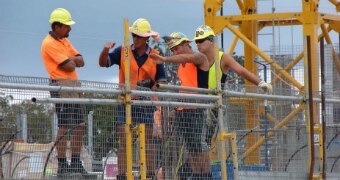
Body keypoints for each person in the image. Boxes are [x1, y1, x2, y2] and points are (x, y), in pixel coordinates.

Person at [98, 18, 166, 180]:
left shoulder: (156, 56)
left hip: (145, 103)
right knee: (124, 141)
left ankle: (149, 175)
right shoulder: (123, 51)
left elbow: (162, 82)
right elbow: (103, 63)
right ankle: (122, 175)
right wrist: (105, 51)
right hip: (125, 102)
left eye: (138, 36)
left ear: (146, 38)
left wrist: (151, 84)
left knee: (147, 141)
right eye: (134, 35)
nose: (135, 38)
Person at [150, 32, 212, 179]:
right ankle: (198, 175)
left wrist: (164, 58)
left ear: (185, 44)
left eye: (176, 49)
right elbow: (184, 88)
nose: (175, 52)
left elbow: (188, 57)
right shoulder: (181, 67)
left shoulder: (199, 57)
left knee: (199, 145)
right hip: (184, 110)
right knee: (191, 147)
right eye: (172, 50)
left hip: (198, 109)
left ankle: (206, 175)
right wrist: (176, 109)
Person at [40, 8, 88, 177]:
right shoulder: (49, 43)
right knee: (65, 125)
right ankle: (62, 164)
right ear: (57, 26)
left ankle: (75, 161)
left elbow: (80, 61)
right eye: (67, 26)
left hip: (73, 85)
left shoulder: (64, 41)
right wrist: (72, 60)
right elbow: (69, 65)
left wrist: (72, 59)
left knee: (80, 125)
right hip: (60, 86)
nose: (70, 29)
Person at [193, 25, 272, 93]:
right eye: (196, 41)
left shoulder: (223, 58)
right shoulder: (195, 58)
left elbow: (242, 71)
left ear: (211, 41)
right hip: (199, 105)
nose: (198, 44)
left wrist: (260, 83)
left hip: (215, 104)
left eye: (201, 40)